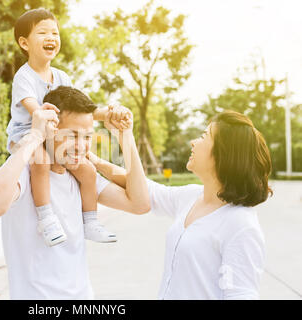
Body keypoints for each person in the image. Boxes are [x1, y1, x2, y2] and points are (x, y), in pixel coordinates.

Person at [0, 86, 150, 299]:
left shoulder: (79, 176)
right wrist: (34, 137)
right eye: (73, 136)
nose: (81, 146)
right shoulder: (25, 171)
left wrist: (126, 136)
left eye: (87, 137)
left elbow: (140, 203)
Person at [89, 110, 272, 299]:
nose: (194, 142)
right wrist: (98, 155)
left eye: (204, 136)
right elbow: (143, 187)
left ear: (223, 154)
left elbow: (241, 294)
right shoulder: (191, 196)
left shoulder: (240, 224)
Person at [6, 8, 123, 246]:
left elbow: (79, 109)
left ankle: (90, 221)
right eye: (43, 32)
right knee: (40, 163)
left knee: (88, 170)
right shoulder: (24, 76)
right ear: (24, 42)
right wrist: (41, 115)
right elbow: (34, 110)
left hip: (56, 137)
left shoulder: (61, 76)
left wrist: (107, 112)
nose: (51, 38)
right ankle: (47, 219)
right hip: (28, 134)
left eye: (55, 33)